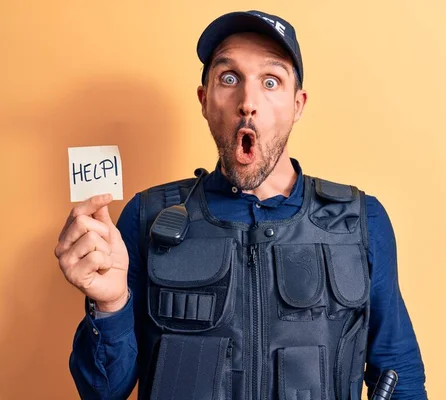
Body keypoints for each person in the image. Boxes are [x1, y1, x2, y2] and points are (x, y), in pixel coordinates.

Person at [55, 10, 427, 400]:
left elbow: (400, 373)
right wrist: (110, 303)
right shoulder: (146, 217)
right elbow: (102, 391)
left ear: (298, 104)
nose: (248, 102)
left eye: (271, 81)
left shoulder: (361, 221)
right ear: (204, 100)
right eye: (229, 78)